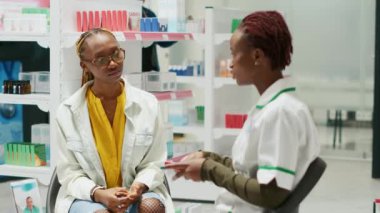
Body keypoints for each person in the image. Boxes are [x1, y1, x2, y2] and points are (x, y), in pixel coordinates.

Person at [165, 11, 320, 212]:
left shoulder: (281, 113)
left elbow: (270, 193)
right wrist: (210, 158)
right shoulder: (272, 106)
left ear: (257, 56)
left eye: (233, 53)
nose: (230, 63)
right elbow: (248, 171)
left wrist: (208, 170)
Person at [55, 28, 173, 213]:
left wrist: (137, 187)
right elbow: (69, 173)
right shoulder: (67, 112)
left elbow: (154, 162)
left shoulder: (148, 104)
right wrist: (99, 194)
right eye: (101, 59)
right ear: (84, 65)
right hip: (88, 196)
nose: (112, 63)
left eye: (116, 54)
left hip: (134, 192)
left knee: (151, 207)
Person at [141, 2, 176, 72]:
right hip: (133, 68)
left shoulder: (149, 14)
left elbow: (162, 41)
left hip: (150, 69)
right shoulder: (124, 11)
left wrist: (178, 34)